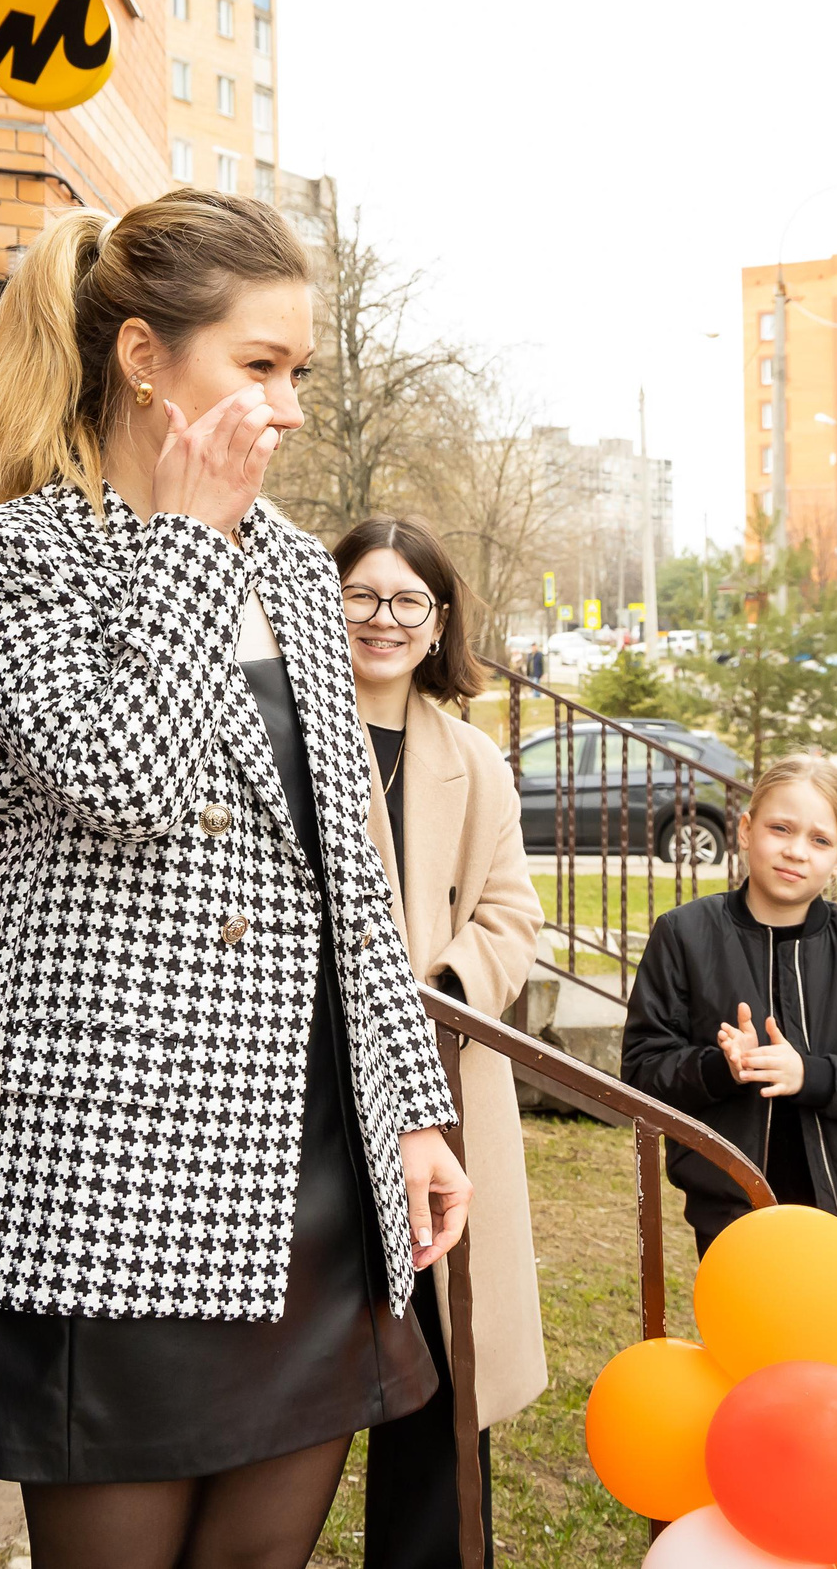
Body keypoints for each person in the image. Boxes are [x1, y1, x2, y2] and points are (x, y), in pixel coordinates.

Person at [0, 191, 472, 1569]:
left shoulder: (299, 568)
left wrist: (412, 1109)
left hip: (311, 1161)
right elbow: (123, 781)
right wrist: (184, 535)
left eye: (299, 371)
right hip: (118, 1162)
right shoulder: (12, 555)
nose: (287, 405)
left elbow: (346, 861)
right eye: (259, 365)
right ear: (142, 358)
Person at [332, 516, 547, 1569]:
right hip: (309, 1086)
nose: (383, 619)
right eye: (362, 594)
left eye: (406, 601)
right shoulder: (282, 730)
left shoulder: (473, 759)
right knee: (312, 1353)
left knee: (442, 1362)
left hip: (442, 1078)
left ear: (438, 622)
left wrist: (427, 994)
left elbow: (511, 916)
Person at [621, 757, 837, 1274]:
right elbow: (642, 1074)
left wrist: (809, 1075)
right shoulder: (683, 935)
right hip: (734, 1221)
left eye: (819, 840)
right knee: (749, 1356)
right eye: (780, 829)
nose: (795, 851)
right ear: (745, 831)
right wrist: (722, 1068)